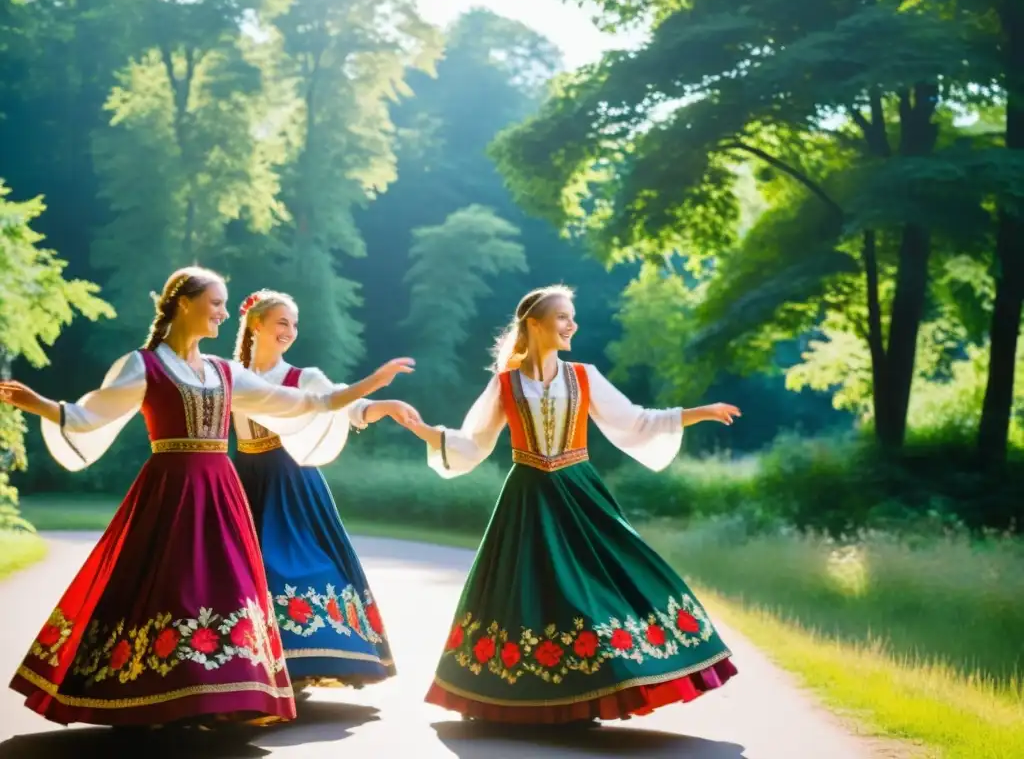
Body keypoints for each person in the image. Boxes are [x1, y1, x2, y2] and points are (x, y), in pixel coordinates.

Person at [0, 266, 414, 728]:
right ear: (184, 303)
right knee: (167, 588)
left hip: (222, 493)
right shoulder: (145, 364)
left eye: (223, 304)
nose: (222, 313)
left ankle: (226, 696)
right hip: (170, 492)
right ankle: (157, 694)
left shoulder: (224, 371)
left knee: (231, 588)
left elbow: (300, 403)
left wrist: (367, 388)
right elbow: (87, 415)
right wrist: (35, 402)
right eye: (215, 303)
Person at [401, 284, 740, 725]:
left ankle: (596, 691)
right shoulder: (505, 384)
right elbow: (471, 443)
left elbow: (636, 420)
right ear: (535, 325)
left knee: (600, 589)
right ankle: (519, 695)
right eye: (562, 317)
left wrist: (701, 412)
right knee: (528, 593)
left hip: (579, 494)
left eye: (571, 317)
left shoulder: (584, 376)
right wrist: (426, 431)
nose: (571, 325)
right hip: (526, 499)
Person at [231, 289, 420, 694]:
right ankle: (252, 663)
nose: (290, 331)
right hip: (245, 477)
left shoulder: (304, 378)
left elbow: (344, 405)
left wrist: (380, 405)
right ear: (256, 324)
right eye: (282, 322)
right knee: (243, 566)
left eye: (295, 324)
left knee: (295, 564)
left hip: (291, 478)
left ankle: (301, 663)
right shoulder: (229, 375)